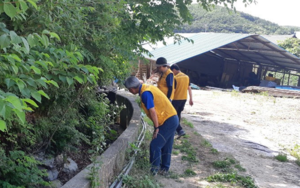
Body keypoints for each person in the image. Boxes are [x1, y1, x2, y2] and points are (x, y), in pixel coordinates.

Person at [124, 76, 179, 175]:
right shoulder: (146, 87)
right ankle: (164, 169)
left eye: (129, 89)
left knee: (155, 145)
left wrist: (156, 128)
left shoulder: (145, 94)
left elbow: (152, 111)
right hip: (172, 117)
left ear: (132, 89)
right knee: (166, 145)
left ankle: (153, 171)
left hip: (167, 120)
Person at [170, 64, 193, 138]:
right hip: (184, 99)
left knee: (173, 115)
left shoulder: (175, 78)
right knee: (178, 114)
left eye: (171, 71)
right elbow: (189, 88)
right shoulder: (187, 77)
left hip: (176, 99)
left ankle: (179, 130)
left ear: (174, 70)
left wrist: (170, 99)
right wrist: (191, 99)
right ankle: (177, 131)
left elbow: (173, 90)